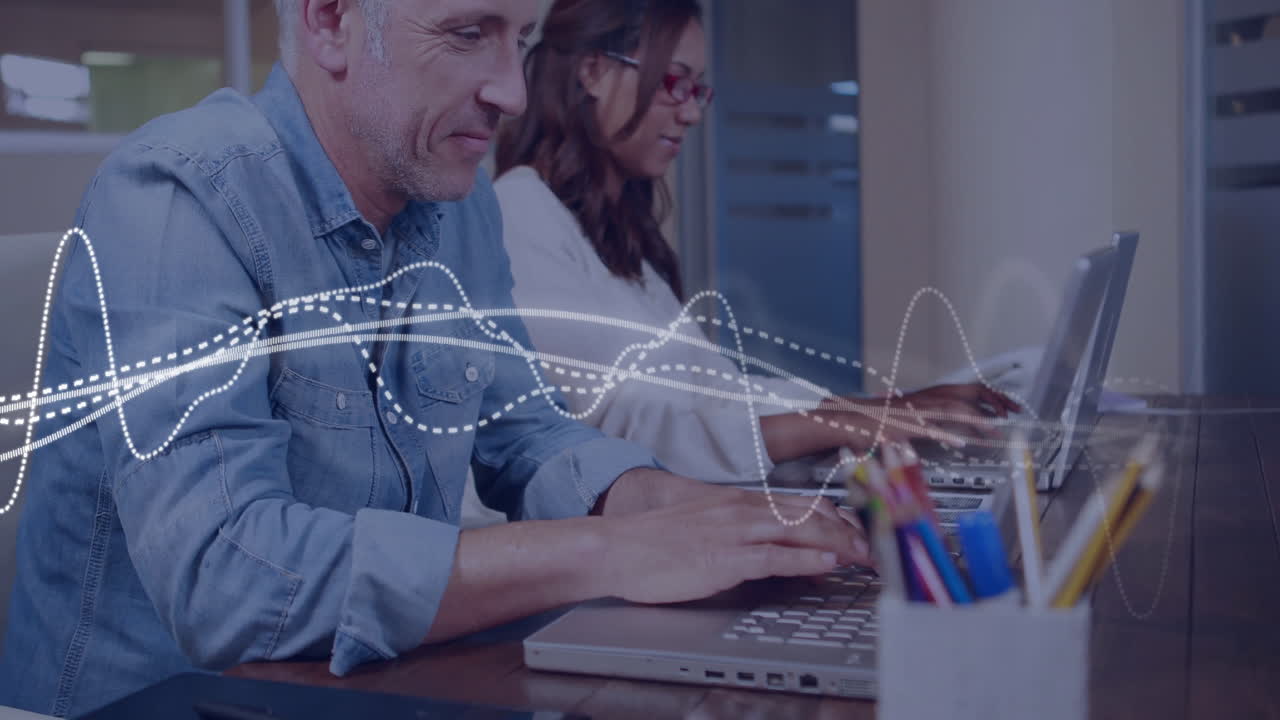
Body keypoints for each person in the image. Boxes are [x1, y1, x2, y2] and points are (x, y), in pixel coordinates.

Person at [0, 0, 869, 715]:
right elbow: (227, 581)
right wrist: (612, 550)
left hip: (367, 687)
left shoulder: (459, 207)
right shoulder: (176, 196)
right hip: (165, 700)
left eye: (523, 41)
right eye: (469, 34)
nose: (514, 93)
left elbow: (524, 431)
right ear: (332, 20)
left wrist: (673, 506)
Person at [494, 0, 1017, 485]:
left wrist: (881, 408)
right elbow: (622, 429)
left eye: (699, 89)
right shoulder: (519, 215)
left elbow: (717, 396)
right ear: (593, 72)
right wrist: (855, 419)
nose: (693, 113)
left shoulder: (614, 239)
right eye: (674, 82)